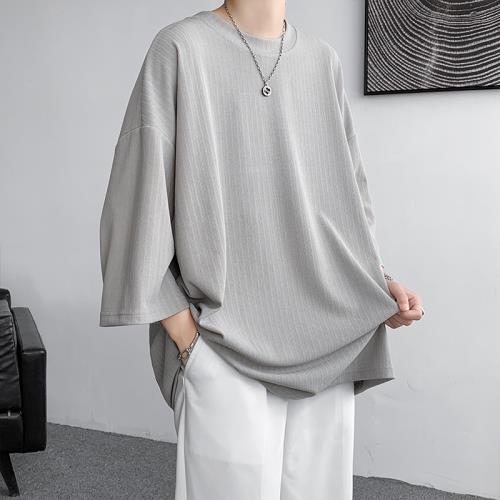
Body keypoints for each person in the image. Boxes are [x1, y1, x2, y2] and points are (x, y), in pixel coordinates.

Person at [99, 1, 425, 499]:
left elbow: (345, 199)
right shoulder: (181, 48)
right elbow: (137, 197)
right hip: (224, 344)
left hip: (332, 339)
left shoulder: (322, 60)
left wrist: (377, 283)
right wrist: (187, 340)